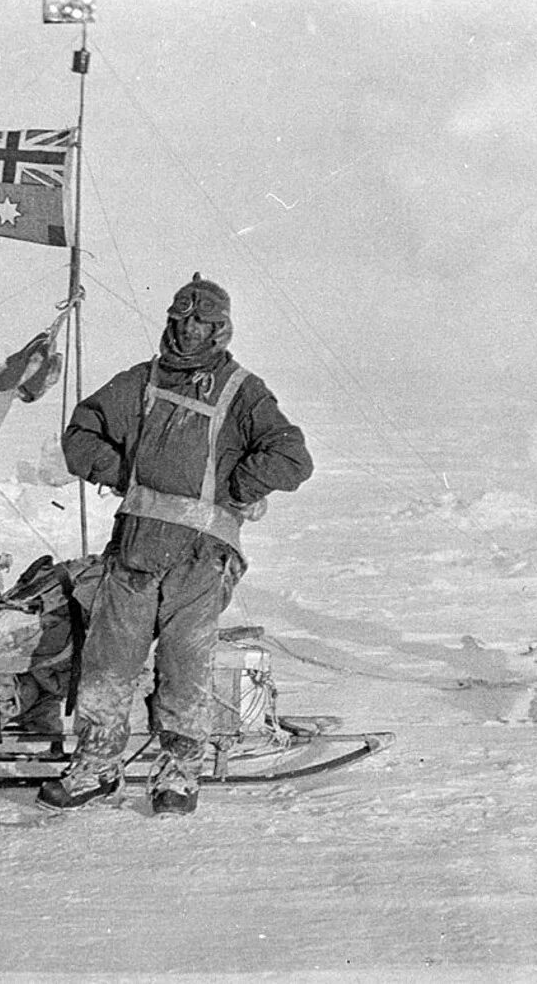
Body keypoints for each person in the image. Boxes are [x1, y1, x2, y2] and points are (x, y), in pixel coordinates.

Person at [36, 274, 313, 816]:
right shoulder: (139, 382)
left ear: (220, 330)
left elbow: (292, 457)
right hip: (136, 550)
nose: (187, 331)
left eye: (200, 323)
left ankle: (179, 773)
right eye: (179, 319)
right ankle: (96, 767)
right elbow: (80, 435)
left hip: (202, 559)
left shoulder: (243, 392)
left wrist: (238, 487)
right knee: (108, 662)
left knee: (185, 666)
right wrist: (124, 473)